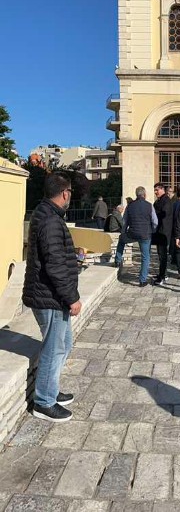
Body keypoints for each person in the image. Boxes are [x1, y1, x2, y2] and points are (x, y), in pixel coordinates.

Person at [23, 174, 81, 422]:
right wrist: (72, 298)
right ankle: (44, 402)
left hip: (50, 295)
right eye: (71, 193)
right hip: (51, 298)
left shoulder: (48, 215)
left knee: (63, 345)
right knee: (54, 348)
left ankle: (50, 389)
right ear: (65, 193)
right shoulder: (50, 220)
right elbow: (55, 265)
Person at [124, 186, 157, 287]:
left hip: (132, 233)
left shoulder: (130, 206)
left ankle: (117, 260)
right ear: (144, 194)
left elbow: (124, 221)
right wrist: (153, 230)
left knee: (121, 241)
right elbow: (155, 221)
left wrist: (123, 232)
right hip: (145, 234)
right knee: (145, 257)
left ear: (136, 195)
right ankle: (142, 280)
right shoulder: (149, 205)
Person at [151, 183, 174, 286]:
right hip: (158, 231)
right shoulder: (159, 201)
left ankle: (162, 277)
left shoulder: (166, 201)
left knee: (163, 255)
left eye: (157, 190)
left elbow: (163, 215)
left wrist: (154, 215)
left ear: (162, 190)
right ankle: (163, 274)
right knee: (160, 255)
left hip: (163, 232)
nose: (155, 192)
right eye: (155, 190)